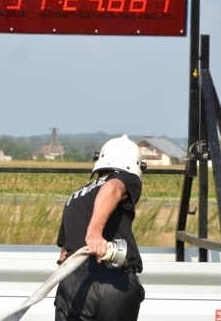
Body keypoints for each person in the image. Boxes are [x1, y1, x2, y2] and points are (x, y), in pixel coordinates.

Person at [54, 134, 145, 321]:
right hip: (115, 281)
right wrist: (94, 232)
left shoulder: (74, 197)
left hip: (73, 281)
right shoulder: (125, 179)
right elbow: (113, 188)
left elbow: (64, 254)